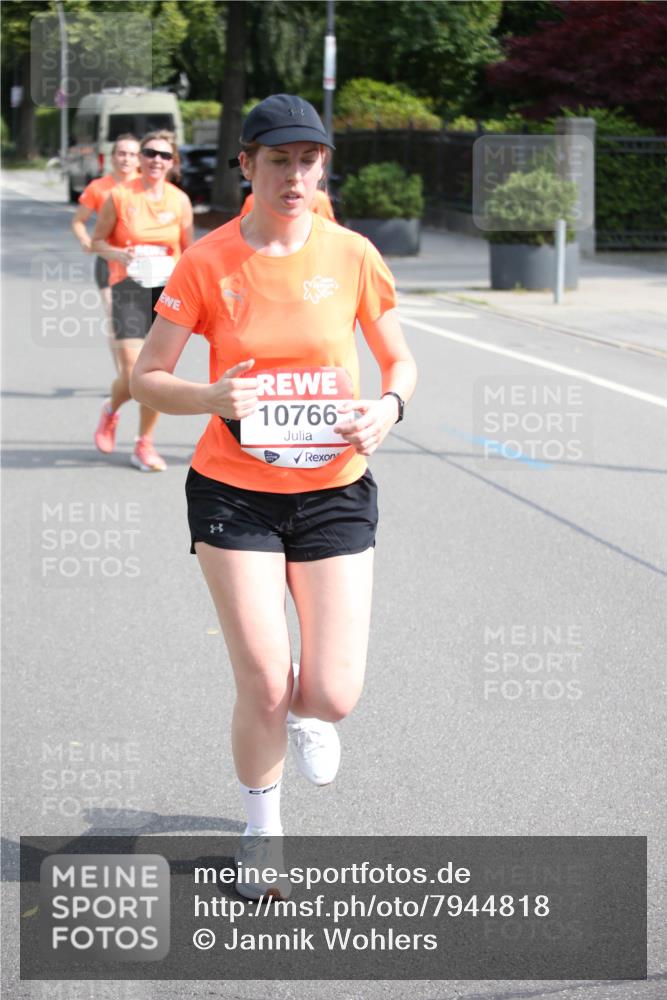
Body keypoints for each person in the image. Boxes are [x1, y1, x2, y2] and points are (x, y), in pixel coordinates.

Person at [130, 94, 417, 898]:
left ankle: (307, 711)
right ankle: (262, 831)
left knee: (330, 693)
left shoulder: (352, 254)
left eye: (309, 161)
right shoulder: (208, 261)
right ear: (247, 165)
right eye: (279, 160)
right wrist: (209, 398)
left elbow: (398, 361)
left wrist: (388, 408)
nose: (295, 176)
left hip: (333, 491)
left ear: (323, 167)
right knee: (262, 678)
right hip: (234, 492)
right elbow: (146, 375)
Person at [91, 130, 194, 471]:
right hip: (129, 287)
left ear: (172, 162)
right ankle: (111, 409)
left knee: (156, 374)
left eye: (165, 155)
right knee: (134, 374)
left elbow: (189, 251)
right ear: (141, 157)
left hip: (167, 292)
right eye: (150, 153)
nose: (156, 160)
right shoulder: (120, 196)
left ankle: (144, 444)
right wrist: (118, 253)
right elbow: (96, 242)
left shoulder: (180, 201)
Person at [71, 133, 141, 353]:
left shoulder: (148, 186)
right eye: (122, 153)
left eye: (132, 154)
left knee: (143, 322)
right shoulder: (98, 187)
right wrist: (85, 240)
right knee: (116, 318)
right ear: (112, 157)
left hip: (143, 262)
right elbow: (78, 221)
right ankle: (124, 366)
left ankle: (137, 365)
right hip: (109, 261)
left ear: (139, 159)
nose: (126, 159)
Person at [240, 185, 336, 222]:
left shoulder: (319, 199)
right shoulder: (253, 200)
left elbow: (328, 238)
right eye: (278, 161)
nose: (294, 175)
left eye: (307, 160)